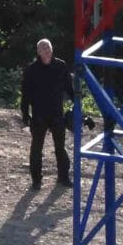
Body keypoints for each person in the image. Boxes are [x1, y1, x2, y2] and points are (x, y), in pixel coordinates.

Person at [20, 38, 73, 191]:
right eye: (43, 48)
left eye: (48, 47)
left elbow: (69, 88)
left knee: (60, 147)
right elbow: (25, 94)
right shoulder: (31, 69)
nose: (46, 50)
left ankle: (63, 177)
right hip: (39, 115)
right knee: (36, 148)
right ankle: (36, 180)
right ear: (38, 51)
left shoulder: (61, 66)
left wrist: (77, 105)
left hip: (57, 113)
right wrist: (25, 115)